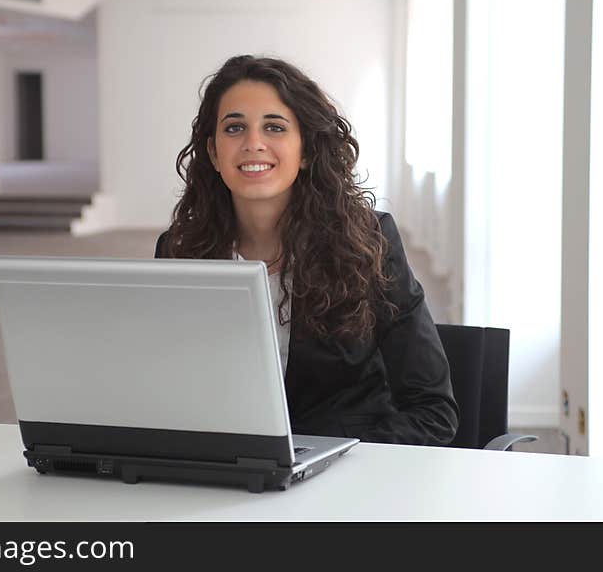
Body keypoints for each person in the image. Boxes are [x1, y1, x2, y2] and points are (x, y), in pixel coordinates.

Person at [154, 55, 459, 445]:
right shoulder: (181, 250)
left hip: (344, 483)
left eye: (274, 127)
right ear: (214, 153)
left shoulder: (369, 241)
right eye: (235, 128)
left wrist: (330, 462)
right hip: (226, 475)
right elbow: (169, 390)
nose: (253, 144)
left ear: (307, 150)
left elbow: (432, 412)